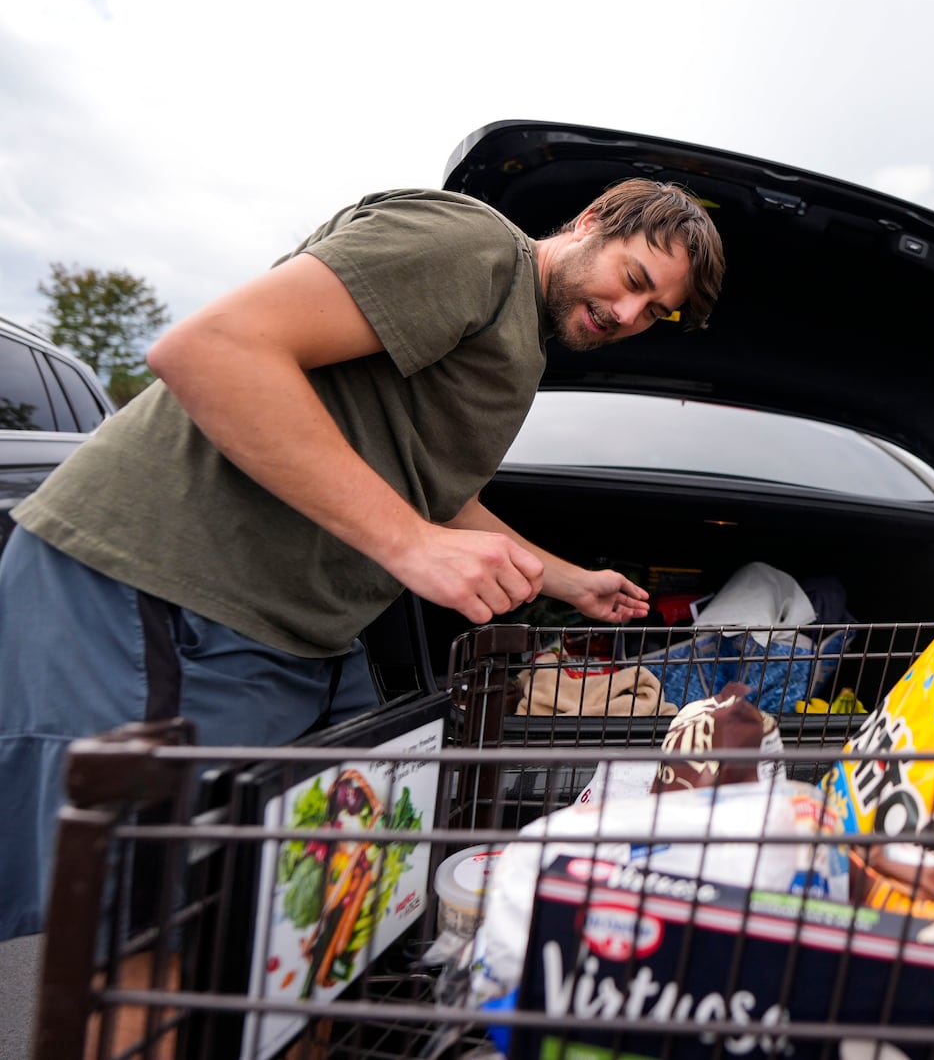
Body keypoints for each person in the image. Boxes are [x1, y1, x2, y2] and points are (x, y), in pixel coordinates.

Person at [0, 178, 726, 940]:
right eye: (634, 280)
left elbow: (435, 493)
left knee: (266, 925)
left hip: (287, 640)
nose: (627, 314)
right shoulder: (474, 247)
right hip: (158, 589)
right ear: (591, 220)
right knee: (139, 933)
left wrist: (571, 581)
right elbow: (211, 348)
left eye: (653, 313)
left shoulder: (519, 343)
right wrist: (409, 545)